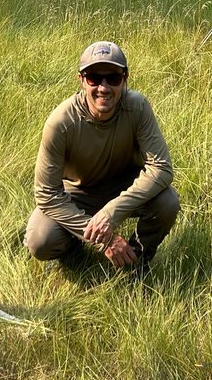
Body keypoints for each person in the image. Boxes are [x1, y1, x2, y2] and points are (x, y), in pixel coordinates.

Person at [24, 41, 178, 274]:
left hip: (124, 186)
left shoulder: (137, 107)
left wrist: (111, 212)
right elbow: (46, 194)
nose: (104, 87)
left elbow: (162, 168)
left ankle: (136, 259)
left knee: (168, 202)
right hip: (78, 194)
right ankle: (74, 251)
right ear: (82, 80)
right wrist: (104, 239)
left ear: (125, 79)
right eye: (94, 78)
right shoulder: (61, 122)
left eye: (113, 78)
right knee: (40, 239)